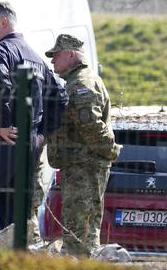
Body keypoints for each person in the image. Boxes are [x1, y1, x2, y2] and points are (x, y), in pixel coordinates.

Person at [0, 2, 67, 231]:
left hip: (2, 145)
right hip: (28, 146)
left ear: (4, 22)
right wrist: (40, 133)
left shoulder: (0, 52)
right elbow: (60, 97)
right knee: (14, 216)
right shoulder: (36, 58)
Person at [45, 34, 120, 255]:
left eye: (56, 55)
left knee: (80, 229)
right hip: (79, 165)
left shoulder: (81, 84)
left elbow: (92, 126)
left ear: (70, 55)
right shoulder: (76, 81)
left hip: (84, 166)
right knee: (80, 224)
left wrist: (111, 150)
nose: (52, 61)